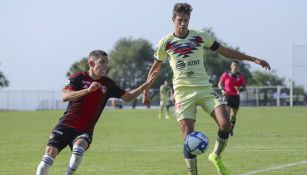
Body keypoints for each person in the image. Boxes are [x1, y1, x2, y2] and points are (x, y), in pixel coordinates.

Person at [142, 3, 271, 175]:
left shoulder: (199, 37)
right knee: (188, 138)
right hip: (183, 94)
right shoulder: (165, 43)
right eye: (180, 20)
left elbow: (225, 51)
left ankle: (216, 156)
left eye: (186, 20)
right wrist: (145, 90)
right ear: (173, 19)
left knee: (225, 124)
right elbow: (155, 69)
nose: (183, 24)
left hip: (205, 89)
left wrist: (253, 59)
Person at [36, 50, 156, 175]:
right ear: (91, 63)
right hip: (65, 125)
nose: (105, 66)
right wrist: (88, 90)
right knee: (48, 157)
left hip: (84, 130)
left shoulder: (108, 84)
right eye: (102, 62)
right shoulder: (78, 77)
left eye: (107, 63)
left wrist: (146, 85)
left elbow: (128, 97)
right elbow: (65, 96)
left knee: (78, 150)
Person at [218, 61, 246, 136]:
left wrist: (240, 88)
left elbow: (244, 86)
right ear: (231, 66)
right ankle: (225, 129)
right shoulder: (226, 74)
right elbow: (220, 83)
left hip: (236, 97)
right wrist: (222, 90)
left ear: (238, 67)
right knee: (226, 114)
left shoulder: (240, 76)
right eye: (233, 65)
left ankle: (231, 129)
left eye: (236, 65)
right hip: (227, 96)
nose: (235, 66)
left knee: (233, 116)